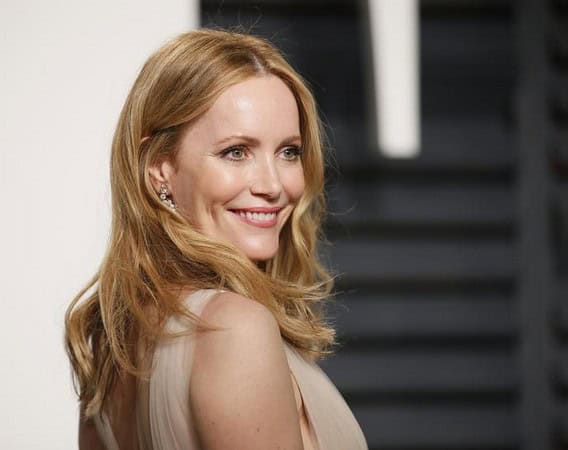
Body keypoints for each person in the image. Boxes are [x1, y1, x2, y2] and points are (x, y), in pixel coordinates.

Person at [64, 28, 368, 450]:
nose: (273, 185)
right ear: (160, 168)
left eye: (289, 151)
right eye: (236, 152)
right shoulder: (233, 327)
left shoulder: (112, 340)